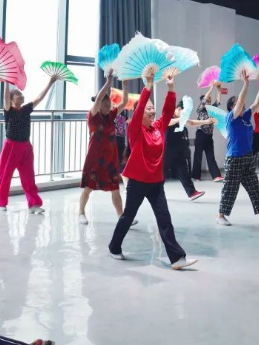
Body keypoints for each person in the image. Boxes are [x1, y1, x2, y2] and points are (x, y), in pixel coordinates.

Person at [108, 70, 196, 270]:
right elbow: (139, 108)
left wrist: (170, 87)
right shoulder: (135, 129)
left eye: (153, 108)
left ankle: (177, 258)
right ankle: (114, 246)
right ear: (140, 112)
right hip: (138, 182)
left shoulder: (158, 127)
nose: (152, 111)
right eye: (149, 108)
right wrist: (148, 85)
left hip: (156, 183)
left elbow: (168, 111)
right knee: (128, 216)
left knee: (164, 219)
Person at [217, 72, 259, 227]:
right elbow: (242, 100)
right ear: (232, 107)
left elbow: (257, 103)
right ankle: (220, 216)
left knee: (254, 187)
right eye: (238, 102)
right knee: (230, 188)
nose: (242, 103)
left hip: (247, 157)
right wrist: (246, 83)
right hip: (234, 158)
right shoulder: (231, 118)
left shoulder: (245, 117)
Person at [78, 71, 135, 226]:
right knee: (88, 188)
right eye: (105, 104)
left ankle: (121, 216)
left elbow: (124, 102)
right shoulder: (92, 116)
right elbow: (98, 100)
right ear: (98, 105)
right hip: (94, 158)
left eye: (109, 103)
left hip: (110, 158)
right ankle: (81, 213)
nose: (108, 105)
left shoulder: (111, 115)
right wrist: (108, 82)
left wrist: (125, 84)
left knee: (115, 188)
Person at [0, 77, 57, 212]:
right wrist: (7, 82)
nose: (21, 96)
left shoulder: (26, 109)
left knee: (29, 177)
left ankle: (33, 204)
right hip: (11, 146)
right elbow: (5, 98)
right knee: (5, 175)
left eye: (21, 94)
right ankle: (2, 202)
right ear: (12, 99)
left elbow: (39, 98)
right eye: (18, 94)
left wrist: (50, 83)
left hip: (25, 146)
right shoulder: (9, 110)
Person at [165, 102, 214, 201]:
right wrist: (180, 119)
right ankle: (152, 191)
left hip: (179, 150)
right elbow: (167, 122)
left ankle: (192, 193)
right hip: (167, 151)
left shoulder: (181, 117)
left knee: (184, 172)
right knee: (161, 174)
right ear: (179, 109)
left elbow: (191, 123)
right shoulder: (169, 115)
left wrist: (206, 121)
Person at [192, 81, 224, 182]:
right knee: (198, 156)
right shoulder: (200, 109)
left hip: (209, 136)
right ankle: (196, 176)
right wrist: (211, 87)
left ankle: (216, 176)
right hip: (201, 134)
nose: (209, 100)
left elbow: (218, 101)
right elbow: (205, 99)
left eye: (210, 99)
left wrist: (218, 90)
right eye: (207, 99)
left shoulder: (212, 109)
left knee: (210, 156)